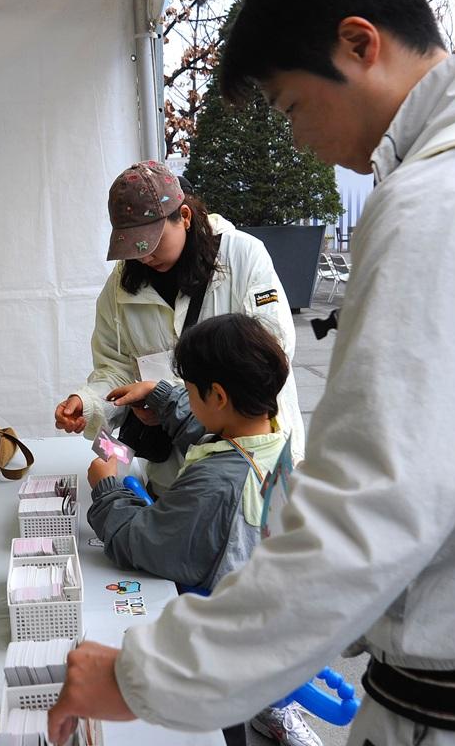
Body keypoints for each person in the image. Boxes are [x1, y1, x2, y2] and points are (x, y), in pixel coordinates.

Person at [48, 0, 455, 743]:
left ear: (360, 44)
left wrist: (141, 676)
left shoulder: (448, 199)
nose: (298, 139)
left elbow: (367, 507)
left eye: (293, 106)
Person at [87, 312, 321, 746]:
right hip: (261, 624)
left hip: (217, 652)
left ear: (217, 395)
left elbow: (141, 542)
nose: (187, 398)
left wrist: (107, 489)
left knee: (216, 731)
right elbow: (212, 430)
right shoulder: (272, 435)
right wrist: (161, 395)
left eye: (190, 390)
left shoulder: (215, 484)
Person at [53, 160, 304, 493]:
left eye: (151, 241)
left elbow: (270, 353)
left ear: (184, 216)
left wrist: (165, 397)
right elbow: (116, 368)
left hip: (251, 462)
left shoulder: (243, 256)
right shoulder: (120, 286)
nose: (144, 257)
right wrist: (89, 403)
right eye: (132, 246)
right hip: (173, 472)